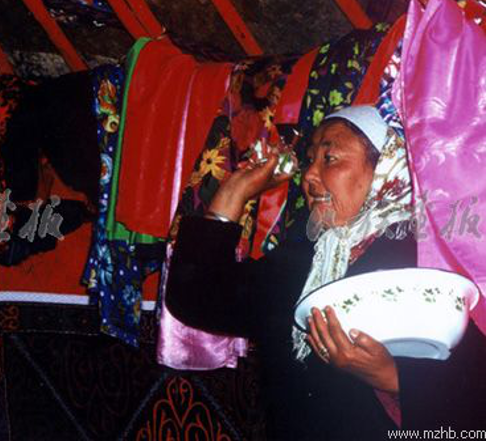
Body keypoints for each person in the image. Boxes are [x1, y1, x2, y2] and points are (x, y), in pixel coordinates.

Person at [165, 105, 486, 440]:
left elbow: (475, 389)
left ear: (383, 168)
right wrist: (235, 191)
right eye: (309, 160)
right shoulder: (303, 257)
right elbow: (197, 298)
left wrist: (392, 377)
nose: (309, 176)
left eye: (329, 159)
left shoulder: (423, 257)